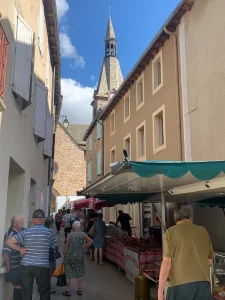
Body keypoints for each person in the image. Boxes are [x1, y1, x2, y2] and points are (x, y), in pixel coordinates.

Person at [158, 207, 214, 300]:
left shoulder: (170, 232)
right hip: (203, 284)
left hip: (179, 286)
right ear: (190, 218)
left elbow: (166, 263)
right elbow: (210, 262)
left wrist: (160, 291)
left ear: (175, 220)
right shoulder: (203, 230)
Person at [6, 209, 57, 300]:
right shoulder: (49, 232)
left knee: (26, 292)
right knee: (44, 292)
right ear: (44, 220)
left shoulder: (26, 232)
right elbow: (53, 247)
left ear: (33, 220)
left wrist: (20, 249)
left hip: (26, 266)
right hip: (42, 266)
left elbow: (9, 242)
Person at [63, 221, 93, 297]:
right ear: (79, 227)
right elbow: (91, 241)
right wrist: (84, 246)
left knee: (68, 273)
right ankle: (80, 290)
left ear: (73, 227)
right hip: (79, 256)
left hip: (70, 256)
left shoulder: (69, 235)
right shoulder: (83, 234)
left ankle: (68, 290)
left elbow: (66, 246)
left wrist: (64, 256)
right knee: (79, 272)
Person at [2, 215, 24, 300]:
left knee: (21, 287)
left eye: (23, 220)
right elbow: (5, 253)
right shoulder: (10, 234)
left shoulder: (21, 231)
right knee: (18, 287)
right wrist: (8, 266)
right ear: (14, 223)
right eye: (21, 221)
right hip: (15, 266)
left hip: (21, 265)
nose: (23, 222)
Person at [44, 217, 57, 295]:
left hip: (42, 254)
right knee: (49, 272)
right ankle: (47, 288)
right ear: (51, 223)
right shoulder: (50, 231)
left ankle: (42, 287)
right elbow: (54, 244)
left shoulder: (41, 230)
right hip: (49, 254)